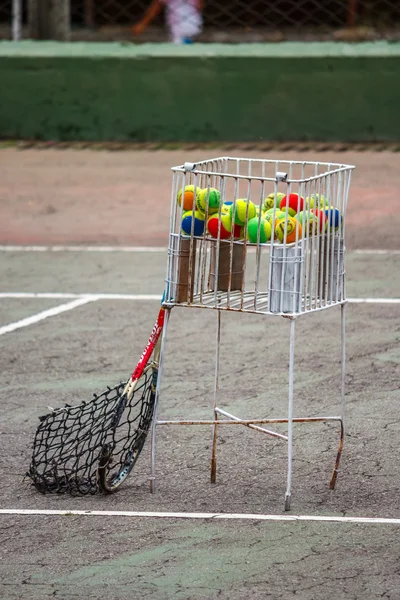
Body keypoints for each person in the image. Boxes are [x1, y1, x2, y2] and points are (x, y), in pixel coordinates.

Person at [132, 0, 204, 44]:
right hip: (195, 23)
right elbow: (200, 6)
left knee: (179, 53)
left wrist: (142, 24)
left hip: (181, 27)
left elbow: (156, 6)